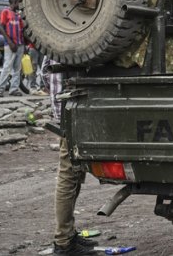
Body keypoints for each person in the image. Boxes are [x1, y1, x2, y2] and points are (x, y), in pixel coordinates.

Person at [49, 62, 99, 255]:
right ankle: (63, 241)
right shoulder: (66, 38)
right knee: (68, 175)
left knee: (74, 173)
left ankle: (68, 234)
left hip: (69, 108)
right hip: (70, 110)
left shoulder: (57, 37)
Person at [0, 0, 24, 97]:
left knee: (17, 69)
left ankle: (14, 89)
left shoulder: (18, 14)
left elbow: (22, 30)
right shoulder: (5, 12)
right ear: (14, 2)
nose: (19, 5)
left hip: (20, 44)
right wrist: (10, 42)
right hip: (10, 45)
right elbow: (1, 27)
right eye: (18, 3)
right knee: (7, 67)